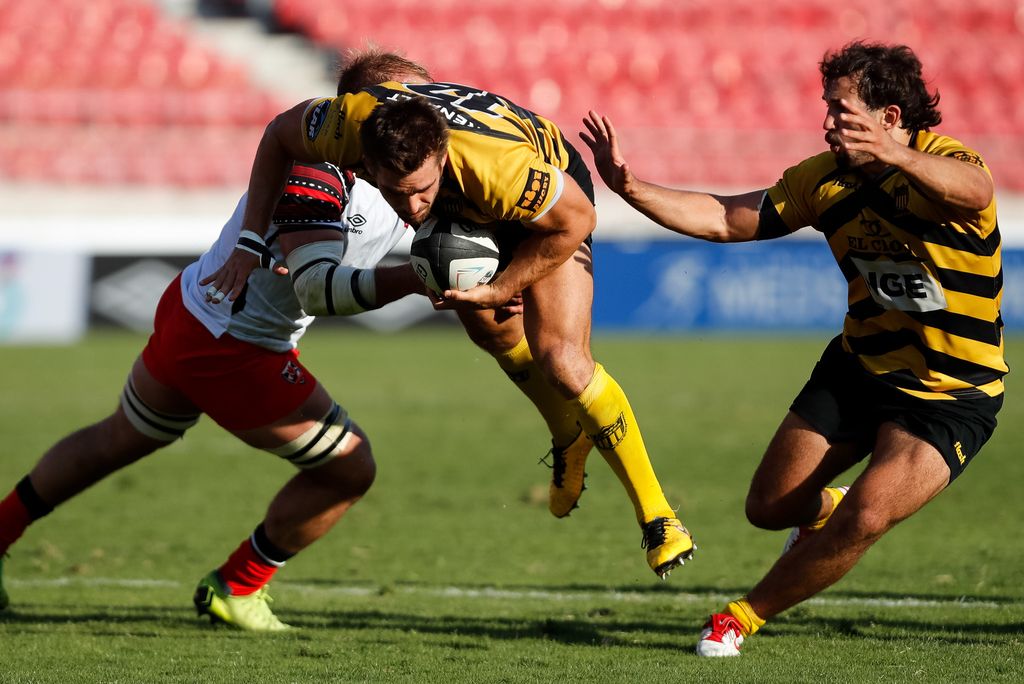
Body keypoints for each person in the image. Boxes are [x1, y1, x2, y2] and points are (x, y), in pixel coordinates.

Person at [580, 40, 1005, 655]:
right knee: (769, 508)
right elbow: (728, 219)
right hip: (859, 369)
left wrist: (893, 155)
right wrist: (632, 187)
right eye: (827, 107)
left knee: (867, 517)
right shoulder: (822, 179)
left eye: (842, 110)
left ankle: (740, 617)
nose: (827, 121)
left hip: (949, 395)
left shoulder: (946, 163)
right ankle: (827, 505)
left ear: (890, 118)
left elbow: (975, 191)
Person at [201, 70, 696, 578]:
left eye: (421, 191)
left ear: (440, 158)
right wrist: (248, 240)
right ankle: (568, 435)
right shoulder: (346, 123)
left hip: (552, 188)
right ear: (365, 161)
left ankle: (659, 517)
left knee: (562, 360)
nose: (412, 207)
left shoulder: (500, 172)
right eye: (395, 193)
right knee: (487, 328)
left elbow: (577, 221)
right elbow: (278, 135)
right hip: (476, 194)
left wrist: (508, 282)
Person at [0, 161, 424, 630]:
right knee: (348, 469)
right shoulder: (319, 174)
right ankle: (237, 585)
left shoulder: (400, 162)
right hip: (236, 347)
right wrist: (421, 277)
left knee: (118, 437)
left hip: (196, 309)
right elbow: (321, 294)